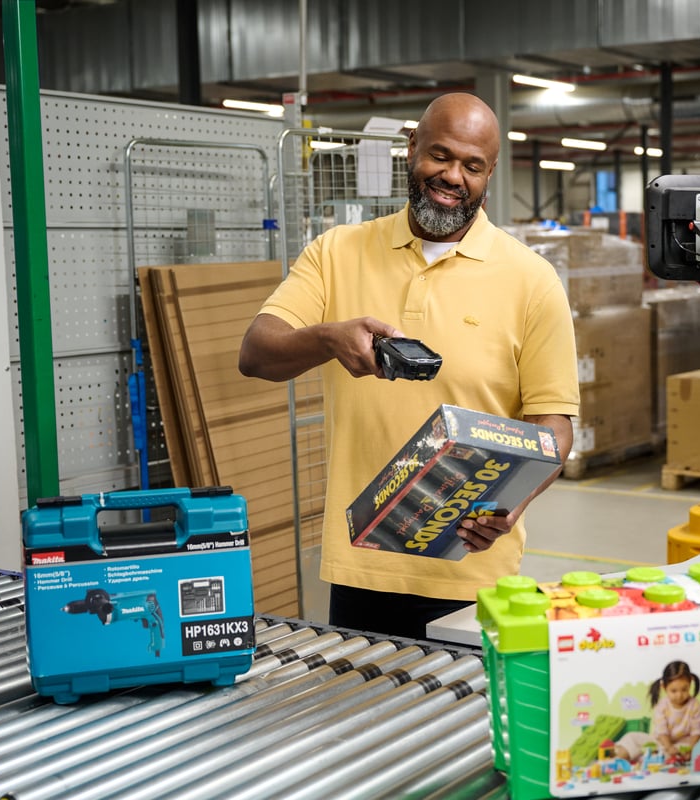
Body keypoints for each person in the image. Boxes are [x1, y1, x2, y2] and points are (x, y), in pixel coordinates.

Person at [238, 92, 579, 639]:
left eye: (472, 166)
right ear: (411, 147)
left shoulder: (531, 280)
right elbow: (257, 353)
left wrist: (511, 503)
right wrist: (328, 337)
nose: (452, 177)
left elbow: (554, 422)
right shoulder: (336, 253)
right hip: (363, 566)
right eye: (440, 155)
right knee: (366, 718)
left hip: (476, 572)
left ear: (490, 173)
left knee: (473, 724)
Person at [614, 661, 700, 764]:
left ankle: (647, 758)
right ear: (664, 687)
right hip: (660, 741)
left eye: (684, 689)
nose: (679, 695)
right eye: (674, 691)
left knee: (685, 752)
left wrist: (690, 749)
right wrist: (668, 747)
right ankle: (619, 760)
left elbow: (697, 731)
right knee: (631, 738)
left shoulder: (695, 705)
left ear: (690, 683)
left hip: (681, 744)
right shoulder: (662, 706)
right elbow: (662, 731)